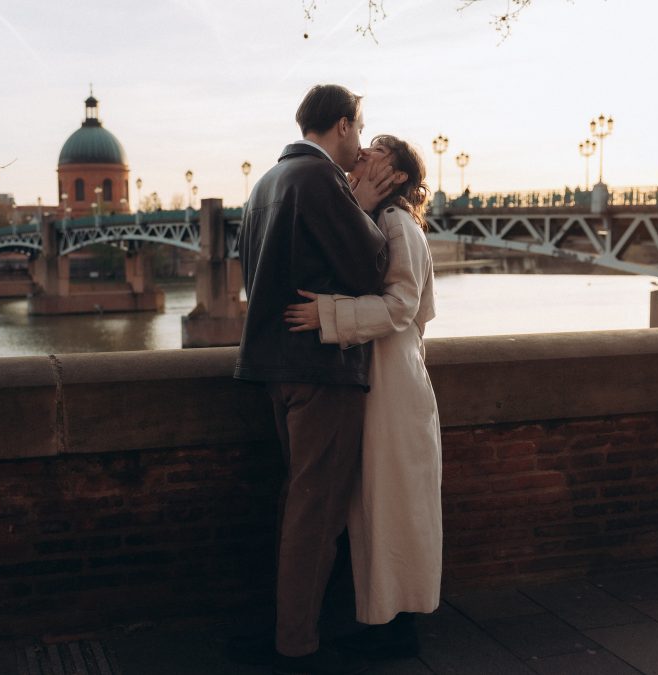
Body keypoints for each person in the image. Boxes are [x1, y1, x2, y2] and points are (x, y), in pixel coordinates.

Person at [234, 84, 395, 675]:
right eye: (360, 130)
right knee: (317, 511)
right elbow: (372, 267)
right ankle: (298, 644)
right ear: (346, 125)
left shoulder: (264, 185)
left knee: (297, 502)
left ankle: (286, 629)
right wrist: (369, 207)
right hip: (321, 371)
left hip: (276, 369)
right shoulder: (320, 180)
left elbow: (255, 277)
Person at [284, 134, 442, 661]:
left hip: (393, 386)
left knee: (389, 504)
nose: (364, 153)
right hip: (386, 376)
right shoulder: (383, 219)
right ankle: (386, 624)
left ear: (397, 176)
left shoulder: (397, 224)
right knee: (380, 502)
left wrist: (328, 314)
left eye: (377, 151)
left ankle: (393, 629)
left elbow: (402, 306)